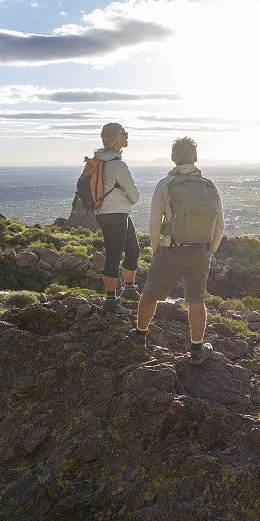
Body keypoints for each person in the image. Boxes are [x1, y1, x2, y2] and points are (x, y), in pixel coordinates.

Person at [127, 137, 224, 364]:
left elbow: (153, 222)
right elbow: (220, 224)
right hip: (200, 251)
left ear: (173, 158)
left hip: (169, 248)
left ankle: (140, 335)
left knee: (150, 293)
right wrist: (210, 250)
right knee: (196, 300)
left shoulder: (165, 184)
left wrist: (156, 248)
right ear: (196, 158)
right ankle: (197, 349)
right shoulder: (210, 186)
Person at [94, 122, 141, 315]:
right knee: (114, 255)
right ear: (116, 138)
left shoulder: (100, 161)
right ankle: (110, 301)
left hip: (111, 213)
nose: (127, 136)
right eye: (125, 133)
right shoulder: (118, 165)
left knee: (133, 249)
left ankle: (129, 289)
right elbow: (135, 196)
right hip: (115, 214)